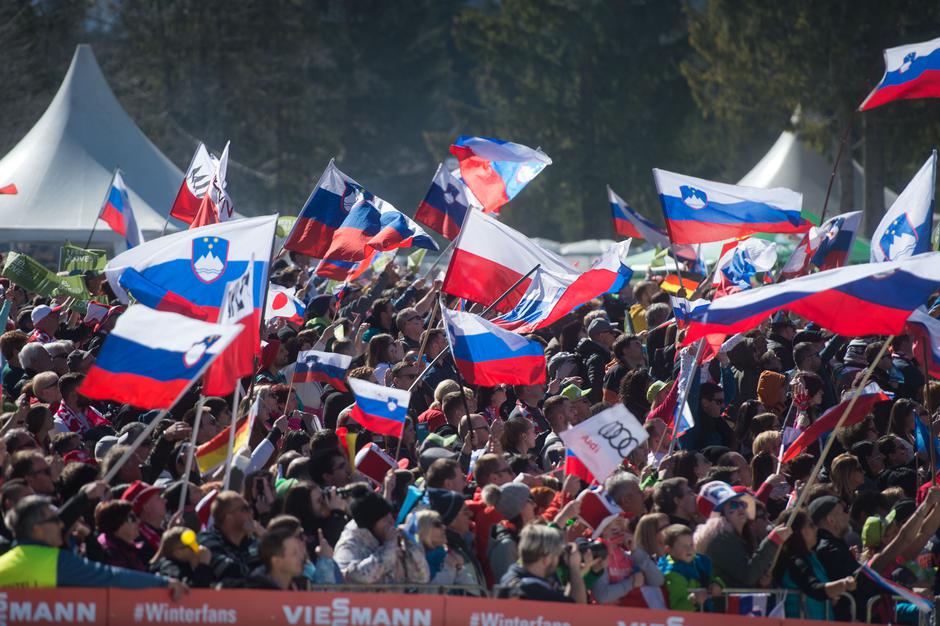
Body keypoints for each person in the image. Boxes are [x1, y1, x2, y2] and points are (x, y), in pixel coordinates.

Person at [0, 495, 186, 595]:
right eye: (54, 520)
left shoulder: (3, 562)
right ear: (36, 529)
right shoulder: (56, 561)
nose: (62, 525)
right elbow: (109, 577)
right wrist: (163, 583)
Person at [694, 481, 791, 589]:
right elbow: (747, 576)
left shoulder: (740, 535)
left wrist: (763, 583)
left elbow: (746, 577)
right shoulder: (720, 540)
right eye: (734, 505)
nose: (740, 508)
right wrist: (772, 541)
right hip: (725, 605)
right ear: (720, 514)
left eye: (742, 503)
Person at [333, 488, 429, 584]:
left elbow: (421, 579)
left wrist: (411, 545)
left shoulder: (392, 540)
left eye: (390, 516)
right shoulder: (349, 545)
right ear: (371, 524)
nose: (391, 522)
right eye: (385, 519)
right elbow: (353, 577)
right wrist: (389, 547)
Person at [774, 510, 856, 620]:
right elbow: (814, 588)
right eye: (811, 525)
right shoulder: (793, 561)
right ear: (797, 531)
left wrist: (831, 596)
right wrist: (844, 584)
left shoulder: (812, 557)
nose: (817, 529)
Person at [496, 523, 588, 603]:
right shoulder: (534, 590)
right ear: (546, 559)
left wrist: (573, 575)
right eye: (556, 555)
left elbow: (564, 602)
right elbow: (577, 613)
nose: (558, 560)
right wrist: (575, 569)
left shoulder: (511, 575)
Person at [659, 524, 721, 612]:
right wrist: (693, 600)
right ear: (669, 550)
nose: (689, 549)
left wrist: (717, 584)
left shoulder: (700, 562)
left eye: (691, 545)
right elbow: (676, 607)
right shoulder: (672, 573)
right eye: (683, 546)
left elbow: (713, 578)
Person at [150, 526, 216, 588]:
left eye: (196, 543)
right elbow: (189, 591)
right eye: (191, 546)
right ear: (178, 553)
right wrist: (203, 565)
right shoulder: (169, 568)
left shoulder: (187, 564)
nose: (197, 548)